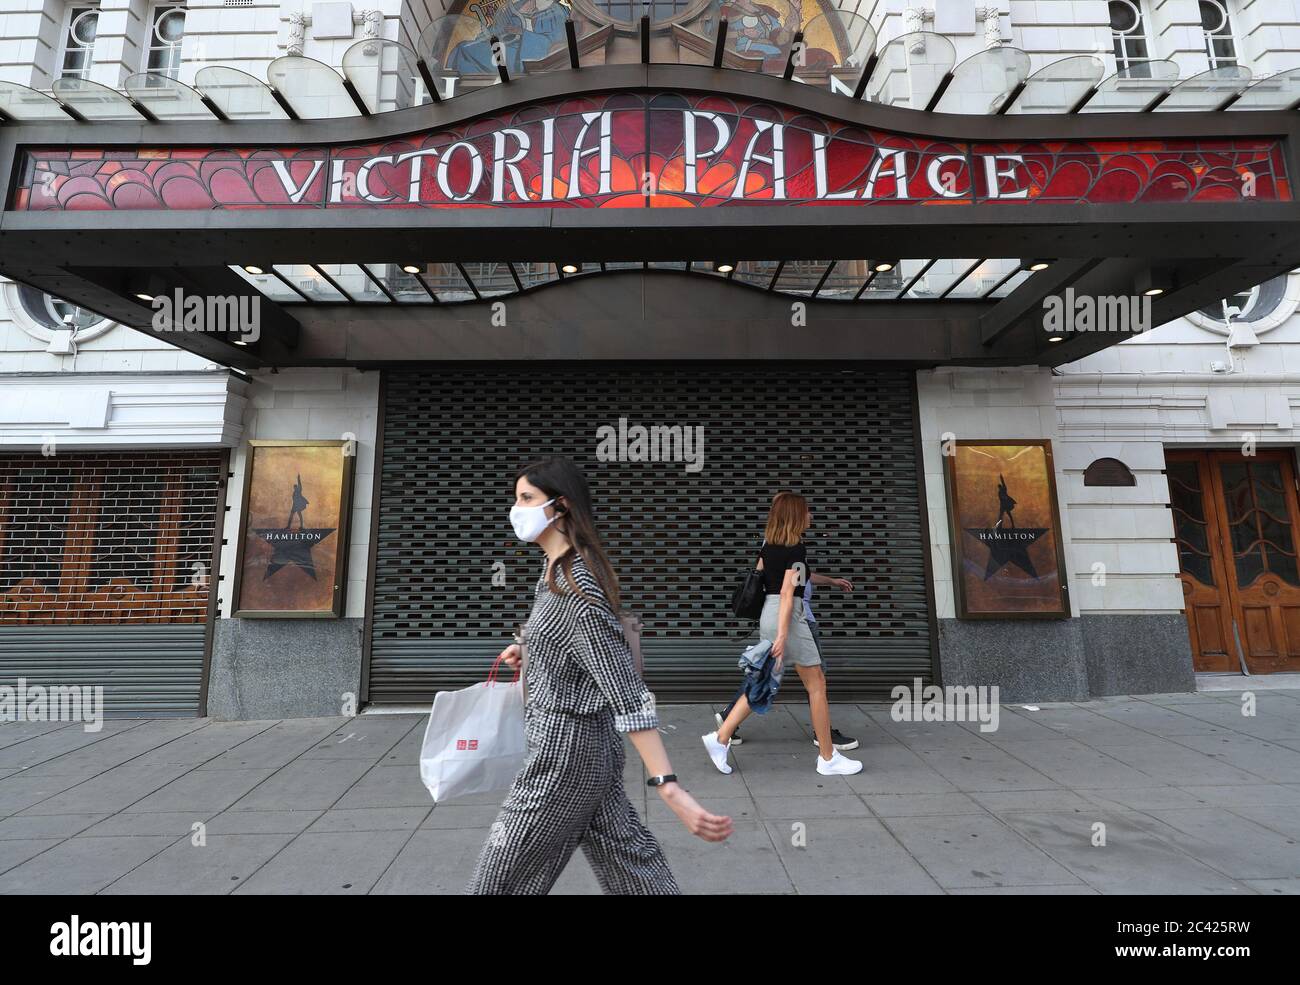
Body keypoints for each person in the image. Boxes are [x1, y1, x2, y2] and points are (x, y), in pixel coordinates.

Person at [467, 456, 732, 894]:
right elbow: (574, 645)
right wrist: (530, 649)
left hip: (563, 756)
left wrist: (669, 789)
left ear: (561, 506)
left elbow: (626, 691)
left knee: (496, 880)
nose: (516, 508)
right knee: (631, 866)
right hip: (589, 750)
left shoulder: (576, 586)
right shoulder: (555, 570)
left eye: (527, 498)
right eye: (516, 498)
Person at [702, 491, 863, 776]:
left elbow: (762, 578)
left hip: (769, 612)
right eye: (807, 511)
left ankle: (720, 737)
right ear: (795, 515)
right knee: (817, 686)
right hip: (788, 617)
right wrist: (783, 634)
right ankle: (828, 758)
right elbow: (789, 593)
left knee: (763, 682)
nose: (810, 515)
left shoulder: (769, 547)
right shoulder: (795, 548)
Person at [714, 554, 860, 751]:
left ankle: (726, 723)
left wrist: (831, 581)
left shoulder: (781, 545)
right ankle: (825, 741)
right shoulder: (789, 545)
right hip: (795, 618)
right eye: (806, 519)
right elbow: (785, 590)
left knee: (768, 676)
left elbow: (798, 577)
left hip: (785, 615)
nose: (810, 520)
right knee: (815, 680)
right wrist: (783, 633)